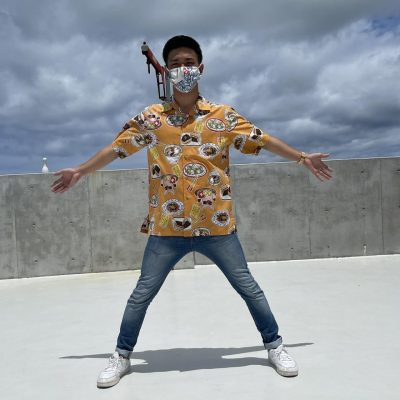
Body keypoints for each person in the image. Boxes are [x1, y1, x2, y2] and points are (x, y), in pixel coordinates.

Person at [51, 35, 333, 388]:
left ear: (200, 68)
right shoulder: (152, 119)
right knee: (142, 294)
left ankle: (274, 346)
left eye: (188, 63)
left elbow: (262, 139)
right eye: (174, 64)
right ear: (166, 71)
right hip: (166, 229)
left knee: (249, 288)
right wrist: (80, 171)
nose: (182, 69)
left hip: (217, 226)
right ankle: (122, 355)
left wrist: (302, 157)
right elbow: (115, 148)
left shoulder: (223, 116)